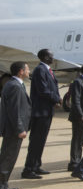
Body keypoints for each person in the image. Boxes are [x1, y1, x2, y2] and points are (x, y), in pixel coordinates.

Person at [22, 49, 61, 179]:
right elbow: (43, 90)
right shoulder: (40, 70)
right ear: (44, 57)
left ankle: (36, 166)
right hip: (40, 112)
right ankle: (28, 169)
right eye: (50, 56)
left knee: (41, 141)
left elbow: (51, 87)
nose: (52, 58)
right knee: (36, 141)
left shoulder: (47, 70)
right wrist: (56, 99)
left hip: (47, 110)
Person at [0, 62, 31, 189]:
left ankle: (4, 185)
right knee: (7, 158)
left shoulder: (14, 84)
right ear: (21, 71)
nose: (29, 71)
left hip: (13, 128)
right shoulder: (15, 86)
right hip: (13, 129)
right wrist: (20, 129)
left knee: (9, 158)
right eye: (27, 69)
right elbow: (14, 110)